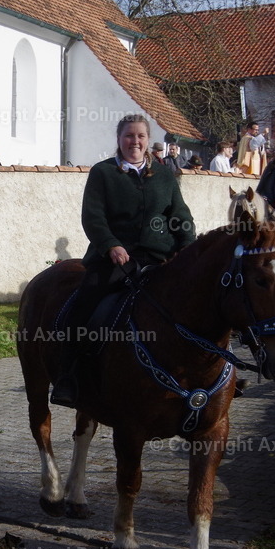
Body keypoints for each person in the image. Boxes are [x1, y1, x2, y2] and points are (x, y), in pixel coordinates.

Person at [50, 114, 196, 407]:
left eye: (140, 136)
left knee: (198, 302)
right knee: (85, 303)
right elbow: (93, 217)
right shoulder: (103, 173)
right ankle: (69, 377)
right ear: (119, 140)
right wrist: (110, 245)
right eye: (129, 136)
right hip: (115, 260)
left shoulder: (166, 175)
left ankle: (211, 373)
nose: (135, 142)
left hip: (159, 257)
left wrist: (187, 251)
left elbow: (180, 216)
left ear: (147, 140)